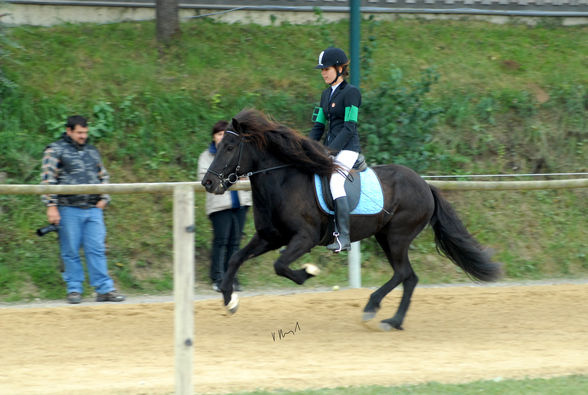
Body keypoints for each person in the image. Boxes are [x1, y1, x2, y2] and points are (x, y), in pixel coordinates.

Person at [41, 115, 125, 304]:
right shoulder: (54, 150)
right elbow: (48, 179)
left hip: (93, 208)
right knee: (70, 250)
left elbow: (103, 175)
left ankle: (104, 289)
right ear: (69, 130)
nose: (83, 136)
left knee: (97, 248)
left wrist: (105, 198)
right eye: (79, 132)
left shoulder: (92, 150)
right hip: (68, 207)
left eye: (85, 132)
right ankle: (74, 289)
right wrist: (51, 206)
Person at [309, 47, 362, 253]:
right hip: (328, 149)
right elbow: (318, 127)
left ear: (340, 68)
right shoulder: (324, 95)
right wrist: (306, 148)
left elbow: (350, 127)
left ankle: (343, 237)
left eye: (327, 69)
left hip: (348, 149)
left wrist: (330, 150)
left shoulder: (352, 93)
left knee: (336, 182)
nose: (323, 73)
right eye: (321, 70)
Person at [198, 120, 253, 292]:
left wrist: (242, 177)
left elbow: (250, 174)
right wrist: (233, 178)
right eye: (219, 134)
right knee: (221, 241)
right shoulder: (206, 156)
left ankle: (232, 277)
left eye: (224, 134)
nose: (222, 137)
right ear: (214, 137)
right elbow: (204, 177)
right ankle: (218, 277)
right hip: (220, 205)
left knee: (235, 243)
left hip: (241, 203)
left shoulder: (238, 153)